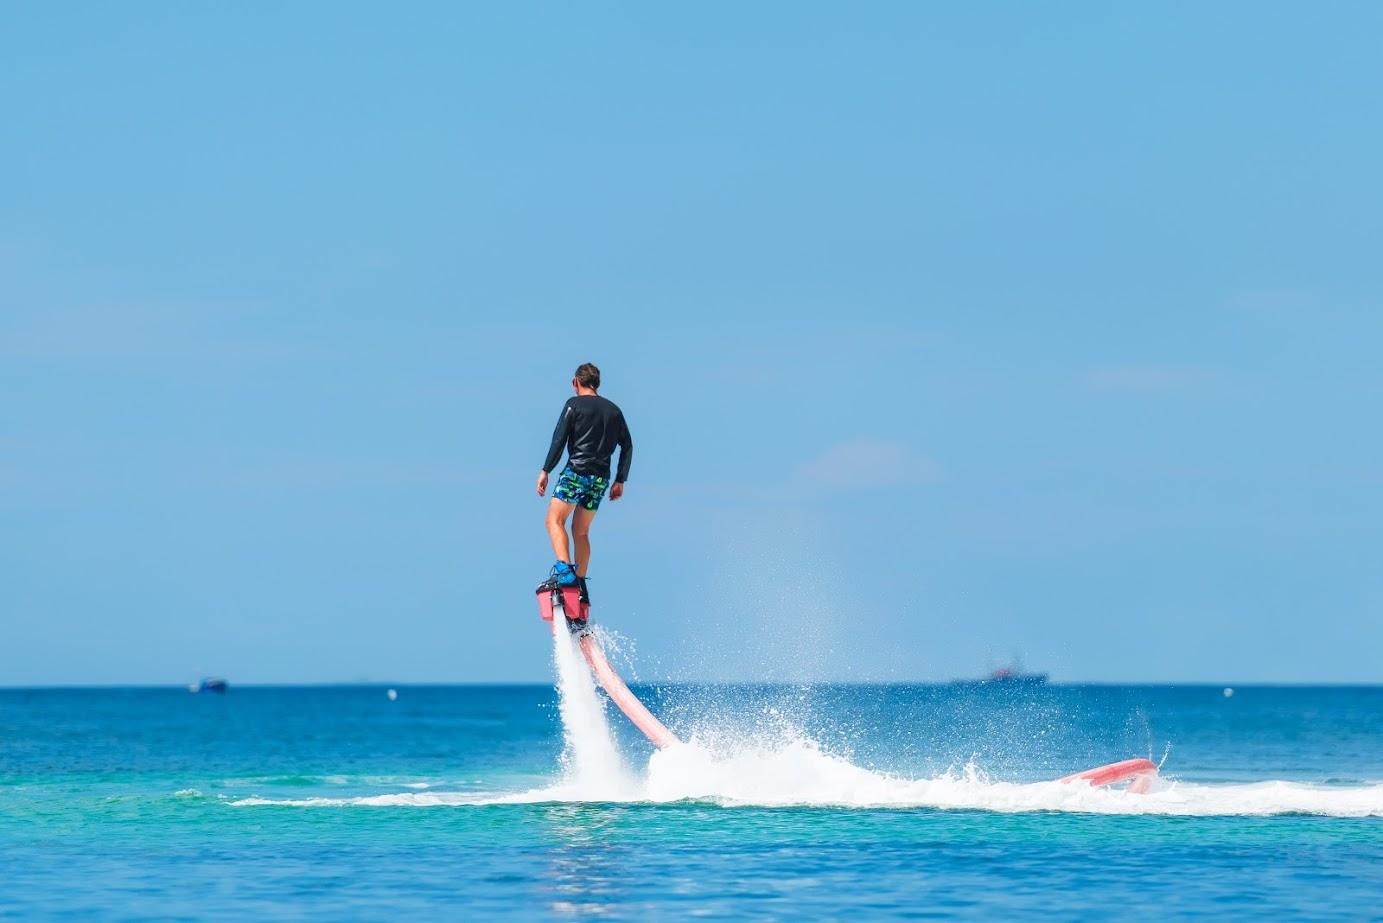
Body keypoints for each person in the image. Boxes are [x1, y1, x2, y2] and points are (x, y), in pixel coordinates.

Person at [536, 362, 632, 604]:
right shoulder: (614, 411)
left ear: (575, 382)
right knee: (581, 531)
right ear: (596, 383)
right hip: (600, 479)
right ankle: (580, 587)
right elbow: (628, 445)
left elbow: (559, 439)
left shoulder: (574, 404)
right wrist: (620, 480)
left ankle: (565, 572)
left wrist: (546, 470)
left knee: (553, 520)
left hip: (576, 473)